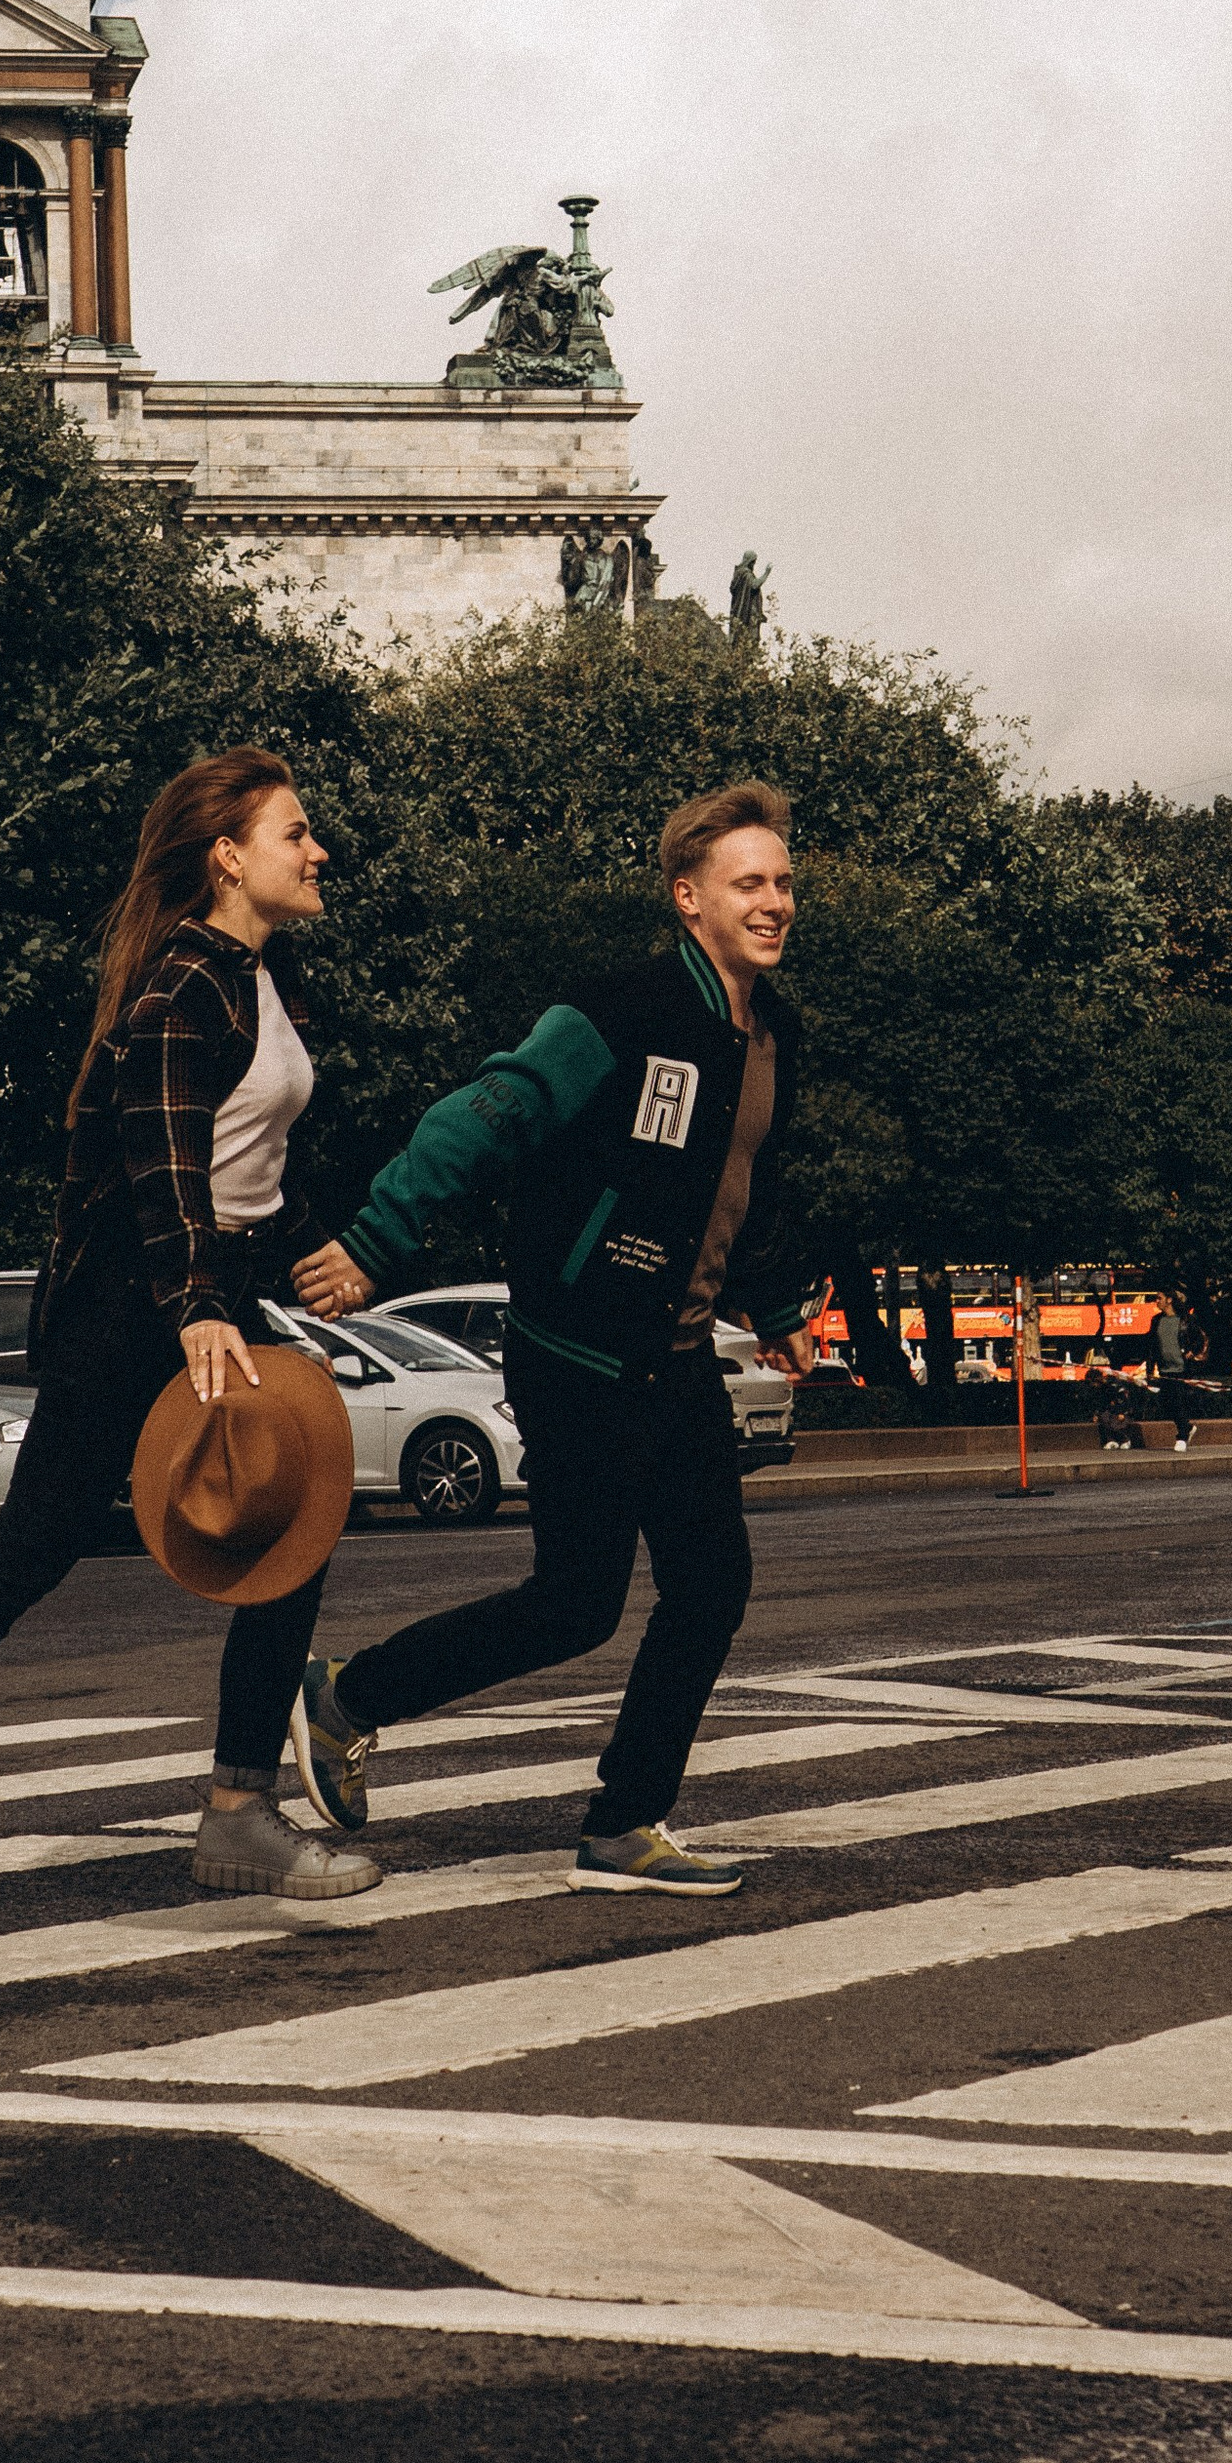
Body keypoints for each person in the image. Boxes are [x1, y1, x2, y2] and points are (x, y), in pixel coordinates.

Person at [0, 748, 381, 1922]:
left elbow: (246, 1165)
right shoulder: (184, 983)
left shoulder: (257, 977)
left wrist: (320, 1249)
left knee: (287, 1528)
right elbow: (166, 1163)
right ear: (230, 857)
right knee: (32, 1548)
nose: (318, 849)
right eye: (297, 833)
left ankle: (239, 1813)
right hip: (128, 1303)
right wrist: (196, 1308)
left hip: (204, 1286)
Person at [284, 779, 817, 1899]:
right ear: (688, 898)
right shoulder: (618, 1011)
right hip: (576, 1348)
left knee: (710, 1586)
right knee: (576, 1603)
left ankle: (625, 1825)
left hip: (671, 1363)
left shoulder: (768, 1035)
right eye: (747, 883)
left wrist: (774, 1313)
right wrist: (381, 1237)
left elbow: (746, 1193)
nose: (773, 902)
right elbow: (485, 1111)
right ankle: (345, 1697)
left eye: (781, 883)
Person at [1151, 1302, 1194, 1450]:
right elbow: (1152, 1345)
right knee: (1166, 1402)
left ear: (1169, 1300)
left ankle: (1182, 1436)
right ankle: (1187, 1427)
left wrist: (1191, 1352)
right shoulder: (1156, 1320)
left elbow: (1199, 1338)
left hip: (1181, 1369)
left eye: (1160, 1297)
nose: (1157, 1301)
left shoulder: (1184, 1319)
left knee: (1177, 1401)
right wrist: (1150, 1370)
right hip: (1164, 1369)